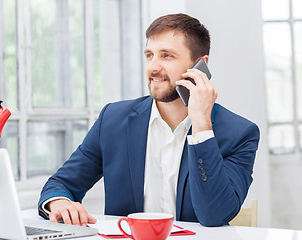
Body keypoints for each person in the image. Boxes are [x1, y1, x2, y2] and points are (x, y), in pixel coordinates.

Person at [38, 13, 260, 227]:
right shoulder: (113, 120)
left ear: (200, 64)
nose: (153, 67)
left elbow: (215, 214)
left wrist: (201, 126)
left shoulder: (239, 134)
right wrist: (59, 202)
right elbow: (61, 184)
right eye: (149, 55)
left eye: (167, 55)